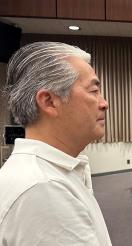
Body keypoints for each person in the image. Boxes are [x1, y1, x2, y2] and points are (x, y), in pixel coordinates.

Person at [0, 42, 112, 245]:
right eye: (94, 91)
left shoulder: (47, 174)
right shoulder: (44, 189)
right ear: (49, 102)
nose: (104, 103)